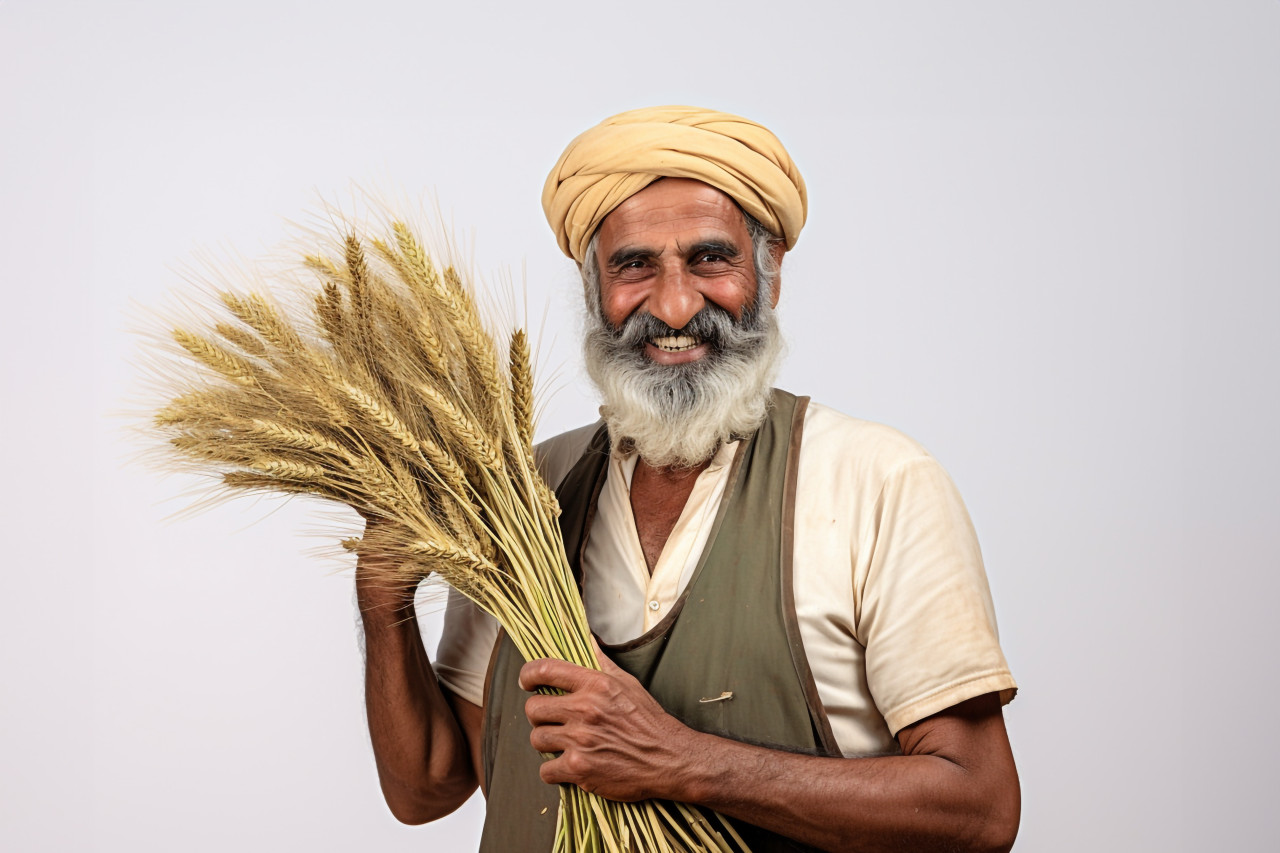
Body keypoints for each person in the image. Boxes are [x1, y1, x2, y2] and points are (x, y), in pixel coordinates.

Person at [356, 106, 1020, 852]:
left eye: (710, 259)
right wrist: (384, 605)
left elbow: (980, 808)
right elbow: (430, 788)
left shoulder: (876, 483)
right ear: (591, 289)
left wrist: (682, 760)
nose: (674, 305)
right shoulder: (526, 491)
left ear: (769, 275)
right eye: (634, 264)